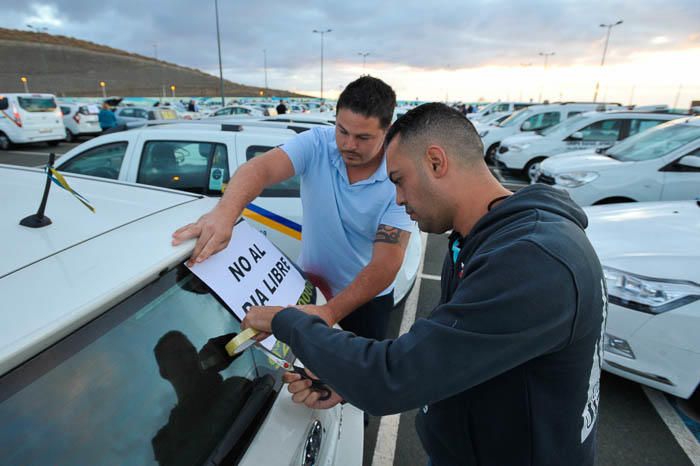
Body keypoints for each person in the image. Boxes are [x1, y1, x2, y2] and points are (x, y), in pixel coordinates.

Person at [242, 103, 606, 466]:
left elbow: (392, 378)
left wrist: (285, 321)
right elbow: (444, 353)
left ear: (435, 162)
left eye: (399, 180)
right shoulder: (481, 238)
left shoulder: (533, 261)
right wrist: (346, 379)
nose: (398, 198)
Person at [171, 76, 413, 342]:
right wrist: (224, 214)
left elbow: (387, 262)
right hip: (306, 284)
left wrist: (329, 312)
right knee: (302, 376)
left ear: (387, 130)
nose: (348, 144)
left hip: (365, 301)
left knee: (355, 378)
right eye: (342, 131)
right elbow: (259, 169)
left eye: (363, 137)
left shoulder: (397, 176)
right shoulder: (318, 144)